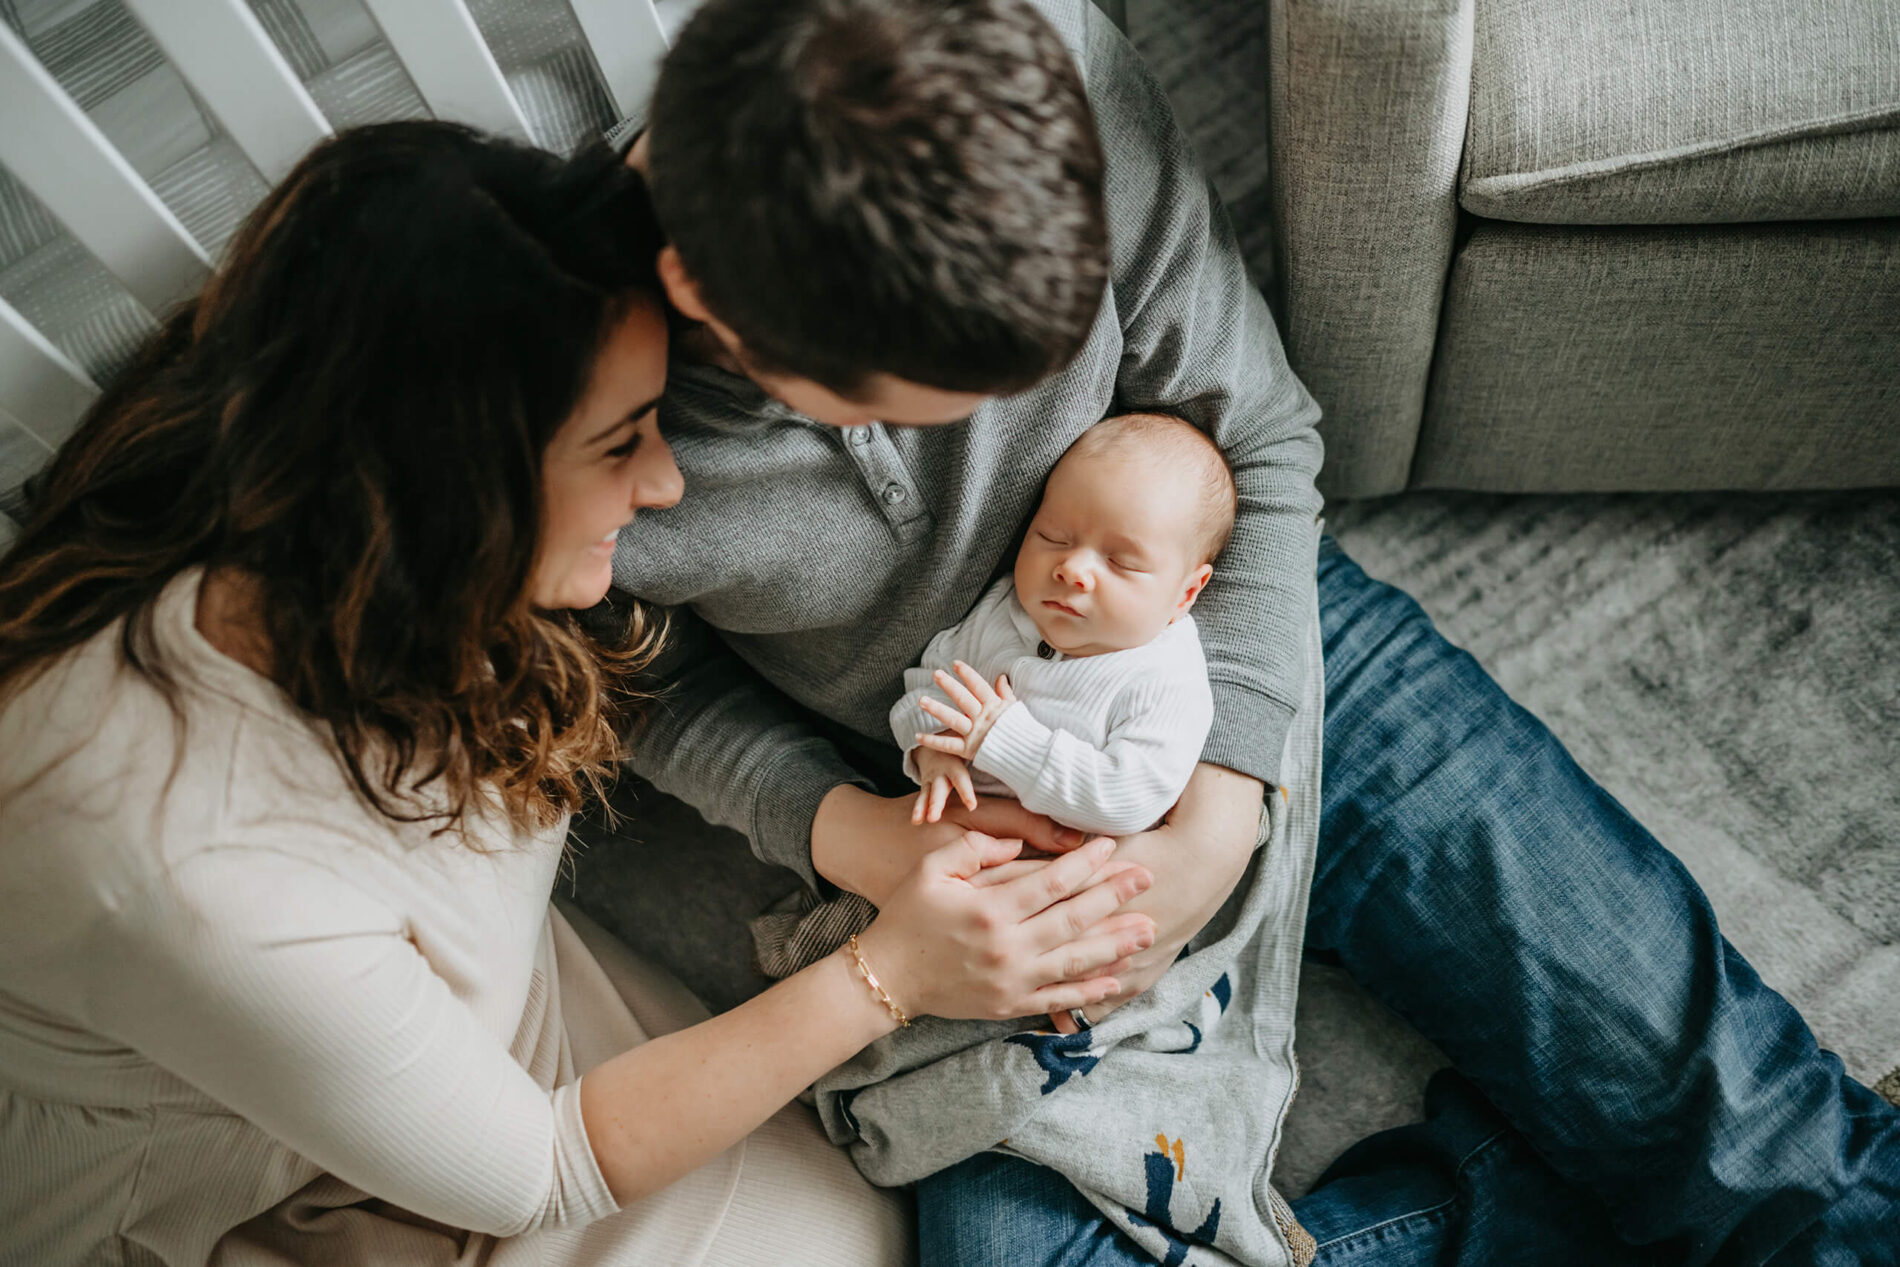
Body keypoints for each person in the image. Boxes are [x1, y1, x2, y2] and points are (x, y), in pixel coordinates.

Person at [602, 0, 1900, 1262]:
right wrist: (853, 834)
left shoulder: (1036, 63)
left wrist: (1225, 801)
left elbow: (1259, 429)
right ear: (702, 294)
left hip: (1247, 641)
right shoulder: (559, 404)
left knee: (1759, 1130)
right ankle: (1528, 1181)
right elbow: (626, 680)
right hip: (969, 814)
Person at [0, 120, 1161, 1267]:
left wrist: (859, 833)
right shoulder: (171, 857)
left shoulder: (389, 546)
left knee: (867, 1231)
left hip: (497, 1011)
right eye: (619, 444)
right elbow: (537, 1168)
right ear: (449, 484)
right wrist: (892, 974)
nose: (665, 482)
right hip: (239, 1186)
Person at [752, 411, 1231, 980]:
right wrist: (930, 750)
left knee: (1060, 969)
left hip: (1071, 874)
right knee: (826, 947)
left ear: (1185, 591)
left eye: (1120, 561)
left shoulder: (1165, 674)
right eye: (1052, 536)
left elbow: (1130, 796)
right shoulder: (1008, 610)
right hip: (951, 848)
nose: (1073, 569)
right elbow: (927, 686)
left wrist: (1002, 739)